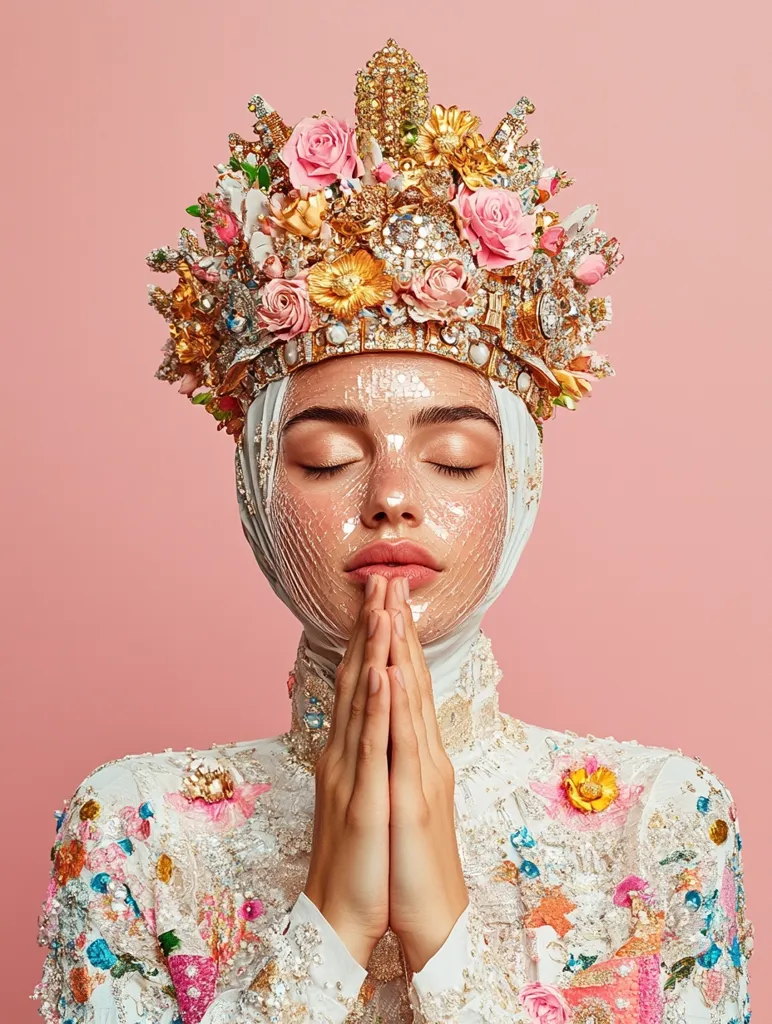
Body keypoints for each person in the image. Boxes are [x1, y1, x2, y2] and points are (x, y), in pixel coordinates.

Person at [33, 39, 753, 1024]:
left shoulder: (660, 819)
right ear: (252, 484)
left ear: (522, 483)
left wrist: (447, 938)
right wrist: (326, 924)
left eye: (453, 457)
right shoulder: (131, 826)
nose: (390, 498)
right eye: (327, 457)